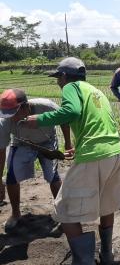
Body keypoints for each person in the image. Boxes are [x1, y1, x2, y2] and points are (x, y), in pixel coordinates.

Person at [23, 57, 120, 265]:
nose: (58, 83)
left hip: (95, 155)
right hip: (115, 152)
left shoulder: (71, 87)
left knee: (64, 210)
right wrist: (78, 148)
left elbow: (71, 112)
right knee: (107, 206)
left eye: (58, 78)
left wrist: (38, 119)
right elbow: (98, 125)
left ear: (64, 76)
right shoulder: (95, 91)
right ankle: (107, 255)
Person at [0, 89, 71, 231]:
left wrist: (68, 143)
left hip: (47, 142)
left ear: (25, 106)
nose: (11, 118)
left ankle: (63, 213)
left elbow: (64, 120)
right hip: (21, 143)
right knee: (12, 177)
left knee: (53, 176)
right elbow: (1, 150)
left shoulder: (46, 106)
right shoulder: (4, 121)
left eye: (14, 114)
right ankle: (15, 214)